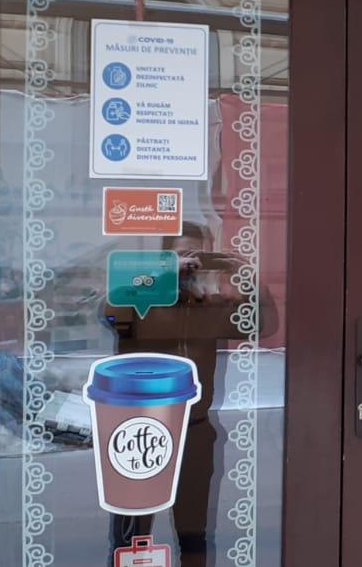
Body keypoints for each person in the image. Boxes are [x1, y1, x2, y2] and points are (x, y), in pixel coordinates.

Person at [104, 222, 275, 567]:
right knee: (132, 532)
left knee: (194, 533)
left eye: (200, 257)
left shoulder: (213, 307)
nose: (192, 265)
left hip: (195, 429)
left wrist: (244, 272)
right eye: (184, 256)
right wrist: (164, 275)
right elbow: (109, 312)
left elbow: (264, 324)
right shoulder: (142, 303)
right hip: (141, 431)